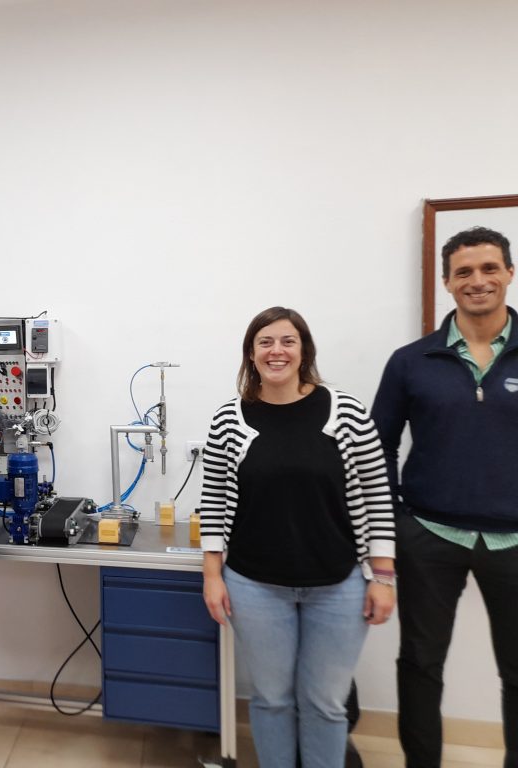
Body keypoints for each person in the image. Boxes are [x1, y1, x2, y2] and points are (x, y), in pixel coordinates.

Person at [201, 306, 396, 768]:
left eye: (288, 341)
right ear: (251, 354)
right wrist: (212, 576)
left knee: (325, 703)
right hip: (254, 586)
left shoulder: (345, 412)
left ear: (304, 350)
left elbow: (377, 493)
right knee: (271, 700)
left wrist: (383, 577)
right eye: (265, 342)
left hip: (339, 585)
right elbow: (213, 502)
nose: (277, 351)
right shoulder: (229, 418)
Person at [373, 226, 518, 768]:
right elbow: (377, 448)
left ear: (509, 273)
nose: (477, 280)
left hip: (514, 541)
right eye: (464, 272)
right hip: (429, 537)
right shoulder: (411, 361)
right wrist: (395, 524)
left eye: (489, 268)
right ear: (447, 282)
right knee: (420, 664)